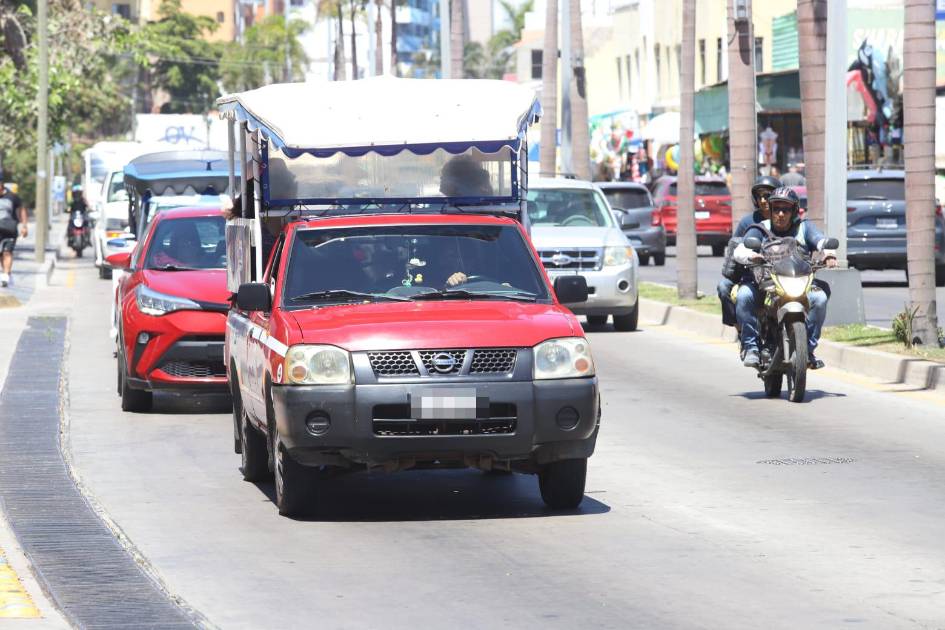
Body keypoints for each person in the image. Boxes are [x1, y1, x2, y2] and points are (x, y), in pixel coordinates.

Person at [732, 187, 837, 370]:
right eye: (776, 209)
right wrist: (751, 256)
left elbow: (820, 240)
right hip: (766, 285)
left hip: (800, 284)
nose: (780, 214)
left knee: (819, 298)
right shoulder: (760, 228)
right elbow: (741, 250)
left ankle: (808, 349)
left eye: (785, 210)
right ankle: (751, 347)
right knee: (744, 296)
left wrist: (828, 253)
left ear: (794, 211)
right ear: (771, 210)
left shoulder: (804, 228)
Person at [717, 175, 781, 327]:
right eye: (759, 197)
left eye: (767, 195)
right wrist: (749, 257)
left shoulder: (785, 218)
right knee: (724, 287)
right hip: (750, 274)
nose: (763, 200)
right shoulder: (747, 222)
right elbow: (736, 248)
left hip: (781, 275)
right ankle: (740, 327)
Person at [0, 181, 28, 288]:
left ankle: (6, 275)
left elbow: (22, 209)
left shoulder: (12, 197)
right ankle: (6, 273)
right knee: (1, 254)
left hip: (9, 229)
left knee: (7, 252)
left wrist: (24, 226)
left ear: (1, 185)